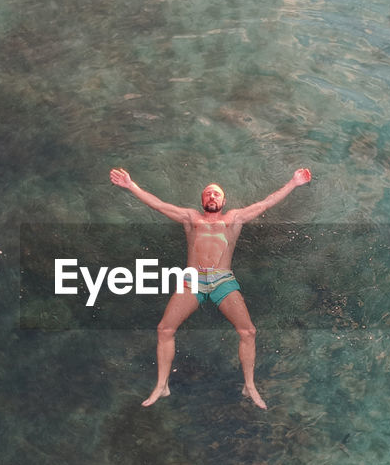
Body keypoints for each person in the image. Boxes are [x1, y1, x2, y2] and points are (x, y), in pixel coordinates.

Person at [109, 166, 312, 409]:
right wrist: (131, 185)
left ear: (224, 201)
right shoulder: (190, 218)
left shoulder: (234, 218)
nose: (211, 196)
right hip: (192, 280)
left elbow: (266, 203)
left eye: (216, 194)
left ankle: (249, 385)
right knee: (164, 329)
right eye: (207, 193)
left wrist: (293, 182)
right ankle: (162, 385)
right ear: (202, 201)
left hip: (222, 280)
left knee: (248, 332)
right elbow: (159, 205)